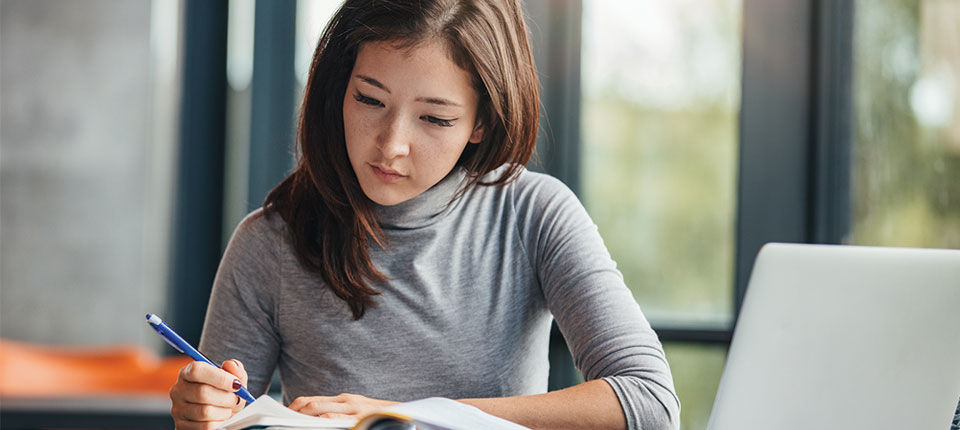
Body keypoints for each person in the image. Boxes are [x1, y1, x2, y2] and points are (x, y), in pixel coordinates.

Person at [167, 0, 680, 429]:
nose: (392, 146)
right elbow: (231, 418)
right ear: (339, 88)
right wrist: (202, 413)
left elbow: (650, 402)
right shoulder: (271, 242)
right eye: (370, 99)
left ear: (481, 121)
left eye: (435, 118)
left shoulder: (534, 215)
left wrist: (410, 417)